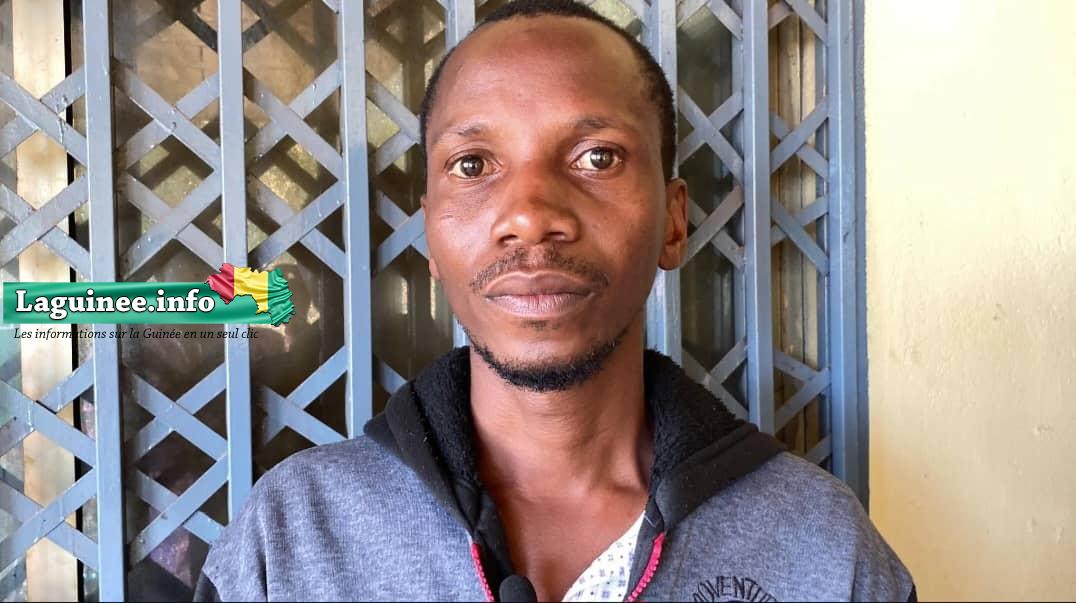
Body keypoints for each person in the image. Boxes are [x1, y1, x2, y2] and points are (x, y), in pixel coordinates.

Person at [194, 1, 915, 600]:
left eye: (597, 157)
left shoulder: (822, 548)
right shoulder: (292, 540)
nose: (531, 215)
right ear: (431, 236)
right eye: (473, 164)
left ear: (673, 222)